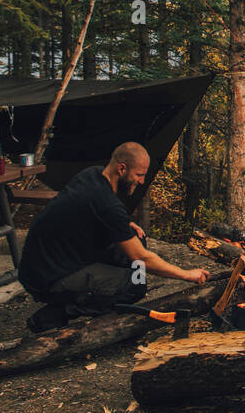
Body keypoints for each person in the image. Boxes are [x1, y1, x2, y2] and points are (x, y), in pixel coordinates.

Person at [18, 142, 209, 333]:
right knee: (135, 283)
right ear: (122, 169)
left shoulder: (92, 175)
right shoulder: (107, 204)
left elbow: (84, 212)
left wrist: (123, 225)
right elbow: (142, 258)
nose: (142, 181)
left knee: (135, 242)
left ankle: (83, 298)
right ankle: (58, 313)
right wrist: (186, 274)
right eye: (139, 175)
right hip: (47, 276)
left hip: (49, 260)